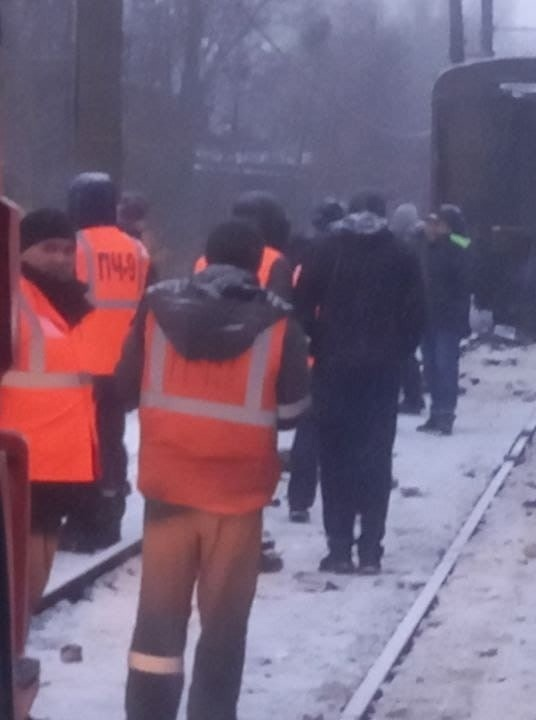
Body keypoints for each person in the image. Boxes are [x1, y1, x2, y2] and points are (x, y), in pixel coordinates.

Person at [115, 219, 310, 720]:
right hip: (238, 496)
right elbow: (291, 413)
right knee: (223, 624)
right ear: (256, 263)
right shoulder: (280, 323)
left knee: (158, 621)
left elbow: (123, 387)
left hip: (168, 488)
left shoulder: (156, 307)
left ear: (205, 256)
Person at [295, 192, 424, 574]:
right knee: (376, 456)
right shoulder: (401, 255)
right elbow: (417, 313)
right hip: (382, 373)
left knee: (334, 457)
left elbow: (301, 304)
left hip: (333, 369)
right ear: (383, 215)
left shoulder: (326, 249)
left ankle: (338, 548)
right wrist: (399, 352)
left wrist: (319, 339)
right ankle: (371, 549)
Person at [0, 209, 98, 623]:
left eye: (66, 249)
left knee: (29, 589)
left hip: (56, 465)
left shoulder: (65, 304)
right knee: (19, 589)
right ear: (22, 252)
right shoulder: (13, 302)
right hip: (21, 465)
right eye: (48, 249)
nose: (60, 258)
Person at [61, 173, 152, 553]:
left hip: (81, 364)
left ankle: (88, 522)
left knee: (85, 445)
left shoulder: (73, 247)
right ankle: (111, 511)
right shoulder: (137, 250)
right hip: (124, 362)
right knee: (112, 440)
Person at [286, 198, 346, 525]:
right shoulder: (341, 258)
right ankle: (336, 502)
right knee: (329, 431)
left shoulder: (298, 255)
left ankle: (298, 499)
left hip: (299, 349)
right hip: (330, 353)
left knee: (304, 431)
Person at [419, 205, 474, 438]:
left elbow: (466, 259)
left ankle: (445, 414)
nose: (431, 227)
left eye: (438, 223)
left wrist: (447, 239)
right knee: (431, 367)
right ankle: (435, 412)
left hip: (447, 319)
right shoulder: (428, 249)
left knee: (445, 366)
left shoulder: (457, 248)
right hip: (428, 317)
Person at [195, 191, 295, 302]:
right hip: (252, 318)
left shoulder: (202, 260)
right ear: (276, 226)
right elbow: (281, 312)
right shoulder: (276, 261)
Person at [391, 202, 427, 416]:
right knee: (409, 354)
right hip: (417, 299)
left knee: (405, 355)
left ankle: (413, 398)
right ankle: (414, 395)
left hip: (407, 300)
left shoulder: (409, 241)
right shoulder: (424, 237)